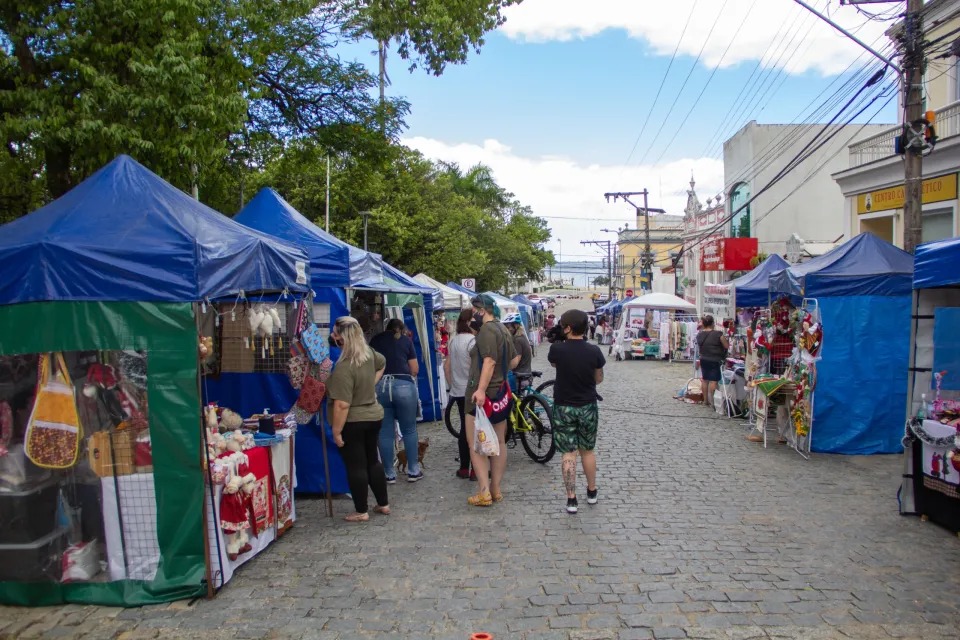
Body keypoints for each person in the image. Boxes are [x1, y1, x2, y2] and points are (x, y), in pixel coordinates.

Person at [327, 316, 390, 522]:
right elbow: (383, 362)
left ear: (342, 338)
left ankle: (361, 510)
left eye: (335, 333)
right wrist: (371, 383)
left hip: (354, 420)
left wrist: (336, 431)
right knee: (373, 460)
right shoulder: (369, 354)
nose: (332, 336)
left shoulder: (344, 367)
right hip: (373, 416)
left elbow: (342, 404)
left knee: (356, 465)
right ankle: (383, 504)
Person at [464, 294, 519, 507]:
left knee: (475, 443)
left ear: (481, 310)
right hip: (500, 392)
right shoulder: (502, 328)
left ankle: (484, 492)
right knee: (499, 442)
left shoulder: (487, 330)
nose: (472, 315)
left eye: (473, 311)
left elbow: (489, 361)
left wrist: (480, 389)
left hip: (482, 395)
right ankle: (495, 489)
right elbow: (514, 361)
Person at [549, 309, 605, 514]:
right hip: (587, 405)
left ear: (567, 328)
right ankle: (591, 491)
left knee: (568, 453)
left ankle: (571, 499)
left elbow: (554, 364)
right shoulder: (594, 351)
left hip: (563, 406)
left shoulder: (557, 349)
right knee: (587, 451)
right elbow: (599, 379)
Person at [370, 318, 423, 483]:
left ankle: (389, 474)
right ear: (402, 329)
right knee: (409, 430)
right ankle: (413, 471)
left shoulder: (375, 340)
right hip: (404, 385)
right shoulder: (406, 341)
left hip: (381, 387)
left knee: (385, 432)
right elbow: (414, 369)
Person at [444, 309, 476, 480]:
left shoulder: (453, 341)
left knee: (464, 428)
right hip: (472, 390)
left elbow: (446, 367)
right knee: (476, 429)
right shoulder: (472, 341)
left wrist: (452, 385)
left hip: (458, 391)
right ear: (470, 322)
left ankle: (464, 467)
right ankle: (475, 469)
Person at [696, 314, 729, 410]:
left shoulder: (699, 335)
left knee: (705, 379)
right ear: (713, 323)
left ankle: (705, 401)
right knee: (713, 380)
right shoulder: (718, 334)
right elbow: (726, 346)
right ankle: (713, 402)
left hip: (703, 358)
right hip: (715, 359)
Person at [502, 312, 532, 391]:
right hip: (525, 375)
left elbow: (514, 364)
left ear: (515, 326)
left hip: (519, 378)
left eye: (508, 327)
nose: (506, 330)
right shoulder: (522, 337)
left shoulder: (517, 340)